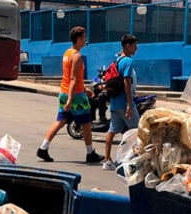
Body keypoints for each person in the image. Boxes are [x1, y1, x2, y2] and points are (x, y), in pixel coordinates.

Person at [37, 26, 102, 164]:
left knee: (60, 121)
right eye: (84, 37)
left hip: (65, 92)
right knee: (86, 123)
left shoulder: (67, 53)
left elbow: (71, 78)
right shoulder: (77, 56)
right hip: (75, 96)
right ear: (78, 39)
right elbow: (73, 78)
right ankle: (90, 153)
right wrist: (72, 98)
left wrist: (83, 89)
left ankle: (43, 148)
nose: (86, 40)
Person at [102, 34, 138, 170]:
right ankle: (134, 161)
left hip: (115, 103)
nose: (136, 48)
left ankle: (107, 161)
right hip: (124, 103)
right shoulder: (128, 61)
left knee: (112, 130)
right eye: (135, 45)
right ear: (127, 46)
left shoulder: (117, 61)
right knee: (139, 132)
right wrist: (129, 104)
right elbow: (126, 82)